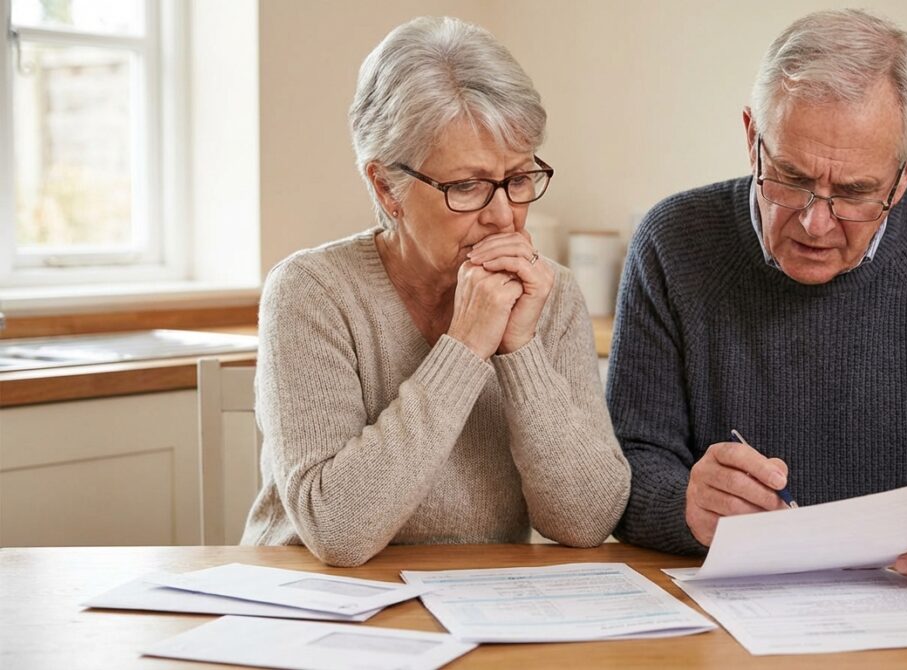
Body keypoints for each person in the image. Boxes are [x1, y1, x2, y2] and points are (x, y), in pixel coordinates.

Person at [607, 9, 907, 589]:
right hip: (723, 611)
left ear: (906, 172)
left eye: (856, 192)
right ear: (751, 138)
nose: (817, 222)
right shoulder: (673, 240)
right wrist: (684, 504)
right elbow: (624, 466)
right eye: (790, 178)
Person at [242, 16, 631, 567]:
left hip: (480, 604)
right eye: (467, 186)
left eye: (518, 179)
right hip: (317, 600)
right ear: (385, 186)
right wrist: (465, 347)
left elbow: (586, 521)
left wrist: (520, 350)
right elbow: (338, 532)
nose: (504, 218)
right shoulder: (310, 292)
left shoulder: (551, 293)